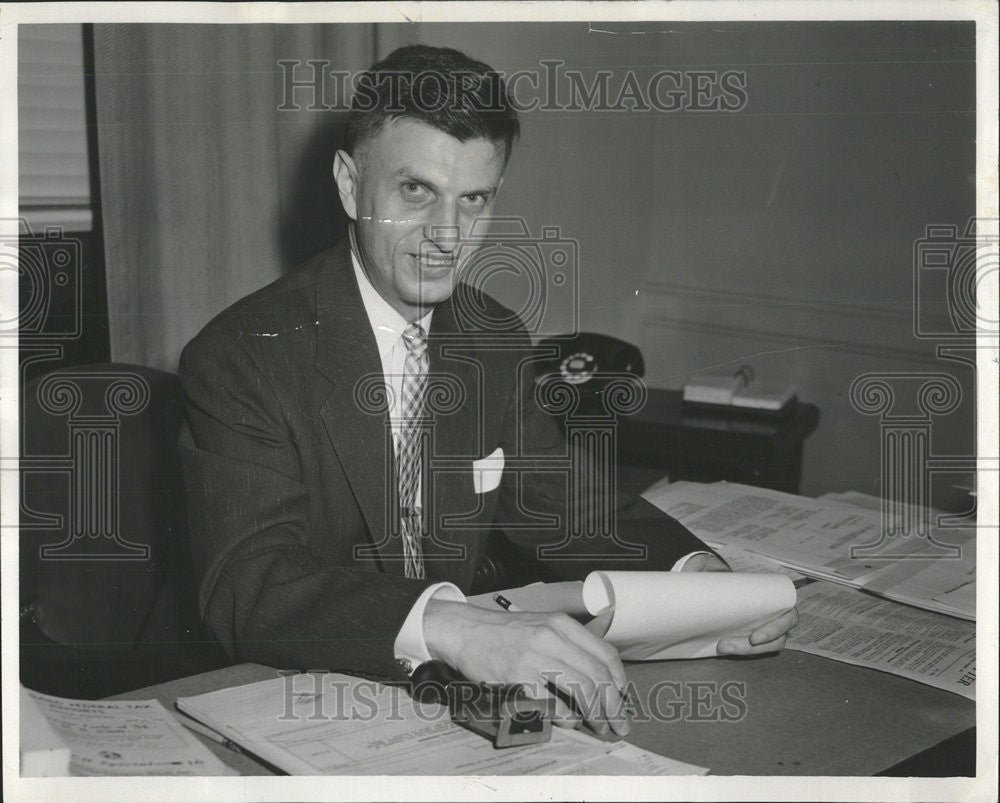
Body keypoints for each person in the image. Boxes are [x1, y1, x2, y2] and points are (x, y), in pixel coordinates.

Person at [179, 44, 797, 737]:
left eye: (473, 199)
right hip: (300, 695)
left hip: (457, 708)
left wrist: (703, 580)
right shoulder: (243, 356)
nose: (448, 236)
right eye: (417, 192)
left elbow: (567, 504)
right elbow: (249, 583)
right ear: (351, 186)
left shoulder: (491, 336)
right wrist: (454, 625)